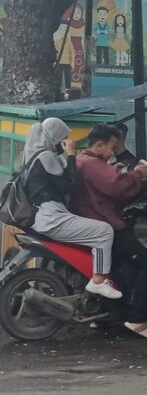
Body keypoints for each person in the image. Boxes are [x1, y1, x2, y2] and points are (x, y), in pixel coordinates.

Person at [69, 124, 147, 338]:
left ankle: (107, 314)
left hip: (90, 221)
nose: (112, 153)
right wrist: (137, 174)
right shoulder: (93, 164)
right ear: (99, 146)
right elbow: (118, 187)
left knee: (117, 269)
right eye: (111, 147)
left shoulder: (82, 161)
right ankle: (138, 319)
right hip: (106, 223)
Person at [24, 118, 121, 300]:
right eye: (64, 138)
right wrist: (70, 154)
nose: (66, 141)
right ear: (55, 138)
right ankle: (98, 281)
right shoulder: (46, 156)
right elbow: (68, 184)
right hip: (52, 216)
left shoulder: (34, 157)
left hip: (44, 215)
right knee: (104, 231)